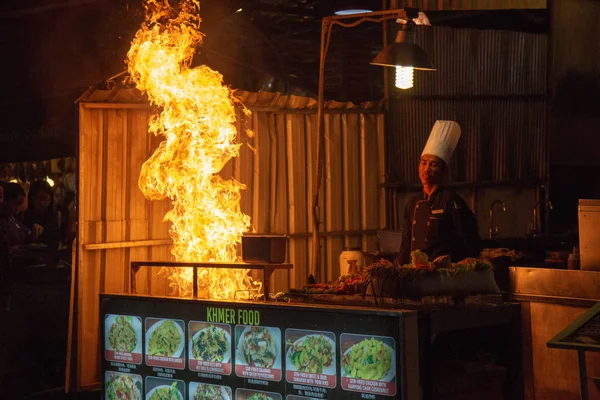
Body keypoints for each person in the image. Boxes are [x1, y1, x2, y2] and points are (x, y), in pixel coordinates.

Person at [398, 120, 480, 265]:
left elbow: (469, 244)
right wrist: (398, 268)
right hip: (416, 274)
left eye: (433, 164)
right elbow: (406, 244)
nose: (426, 169)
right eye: (423, 163)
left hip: (442, 276)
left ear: (444, 170)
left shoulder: (452, 202)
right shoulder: (412, 203)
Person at [23, 180, 60, 250]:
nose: (45, 204)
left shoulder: (55, 216)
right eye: (41, 199)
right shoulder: (24, 216)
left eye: (48, 200)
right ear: (32, 198)